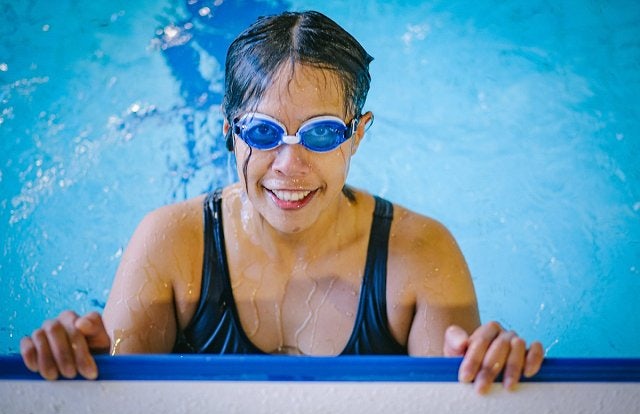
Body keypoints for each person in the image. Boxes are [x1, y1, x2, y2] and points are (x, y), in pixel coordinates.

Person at [20, 10, 543, 394]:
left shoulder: (419, 258)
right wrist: (77, 361)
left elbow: (450, 412)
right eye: (264, 132)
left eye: (320, 135)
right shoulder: (171, 244)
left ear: (357, 135)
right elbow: (119, 405)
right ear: (229, 132)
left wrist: (491, 371)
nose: (289, 166)